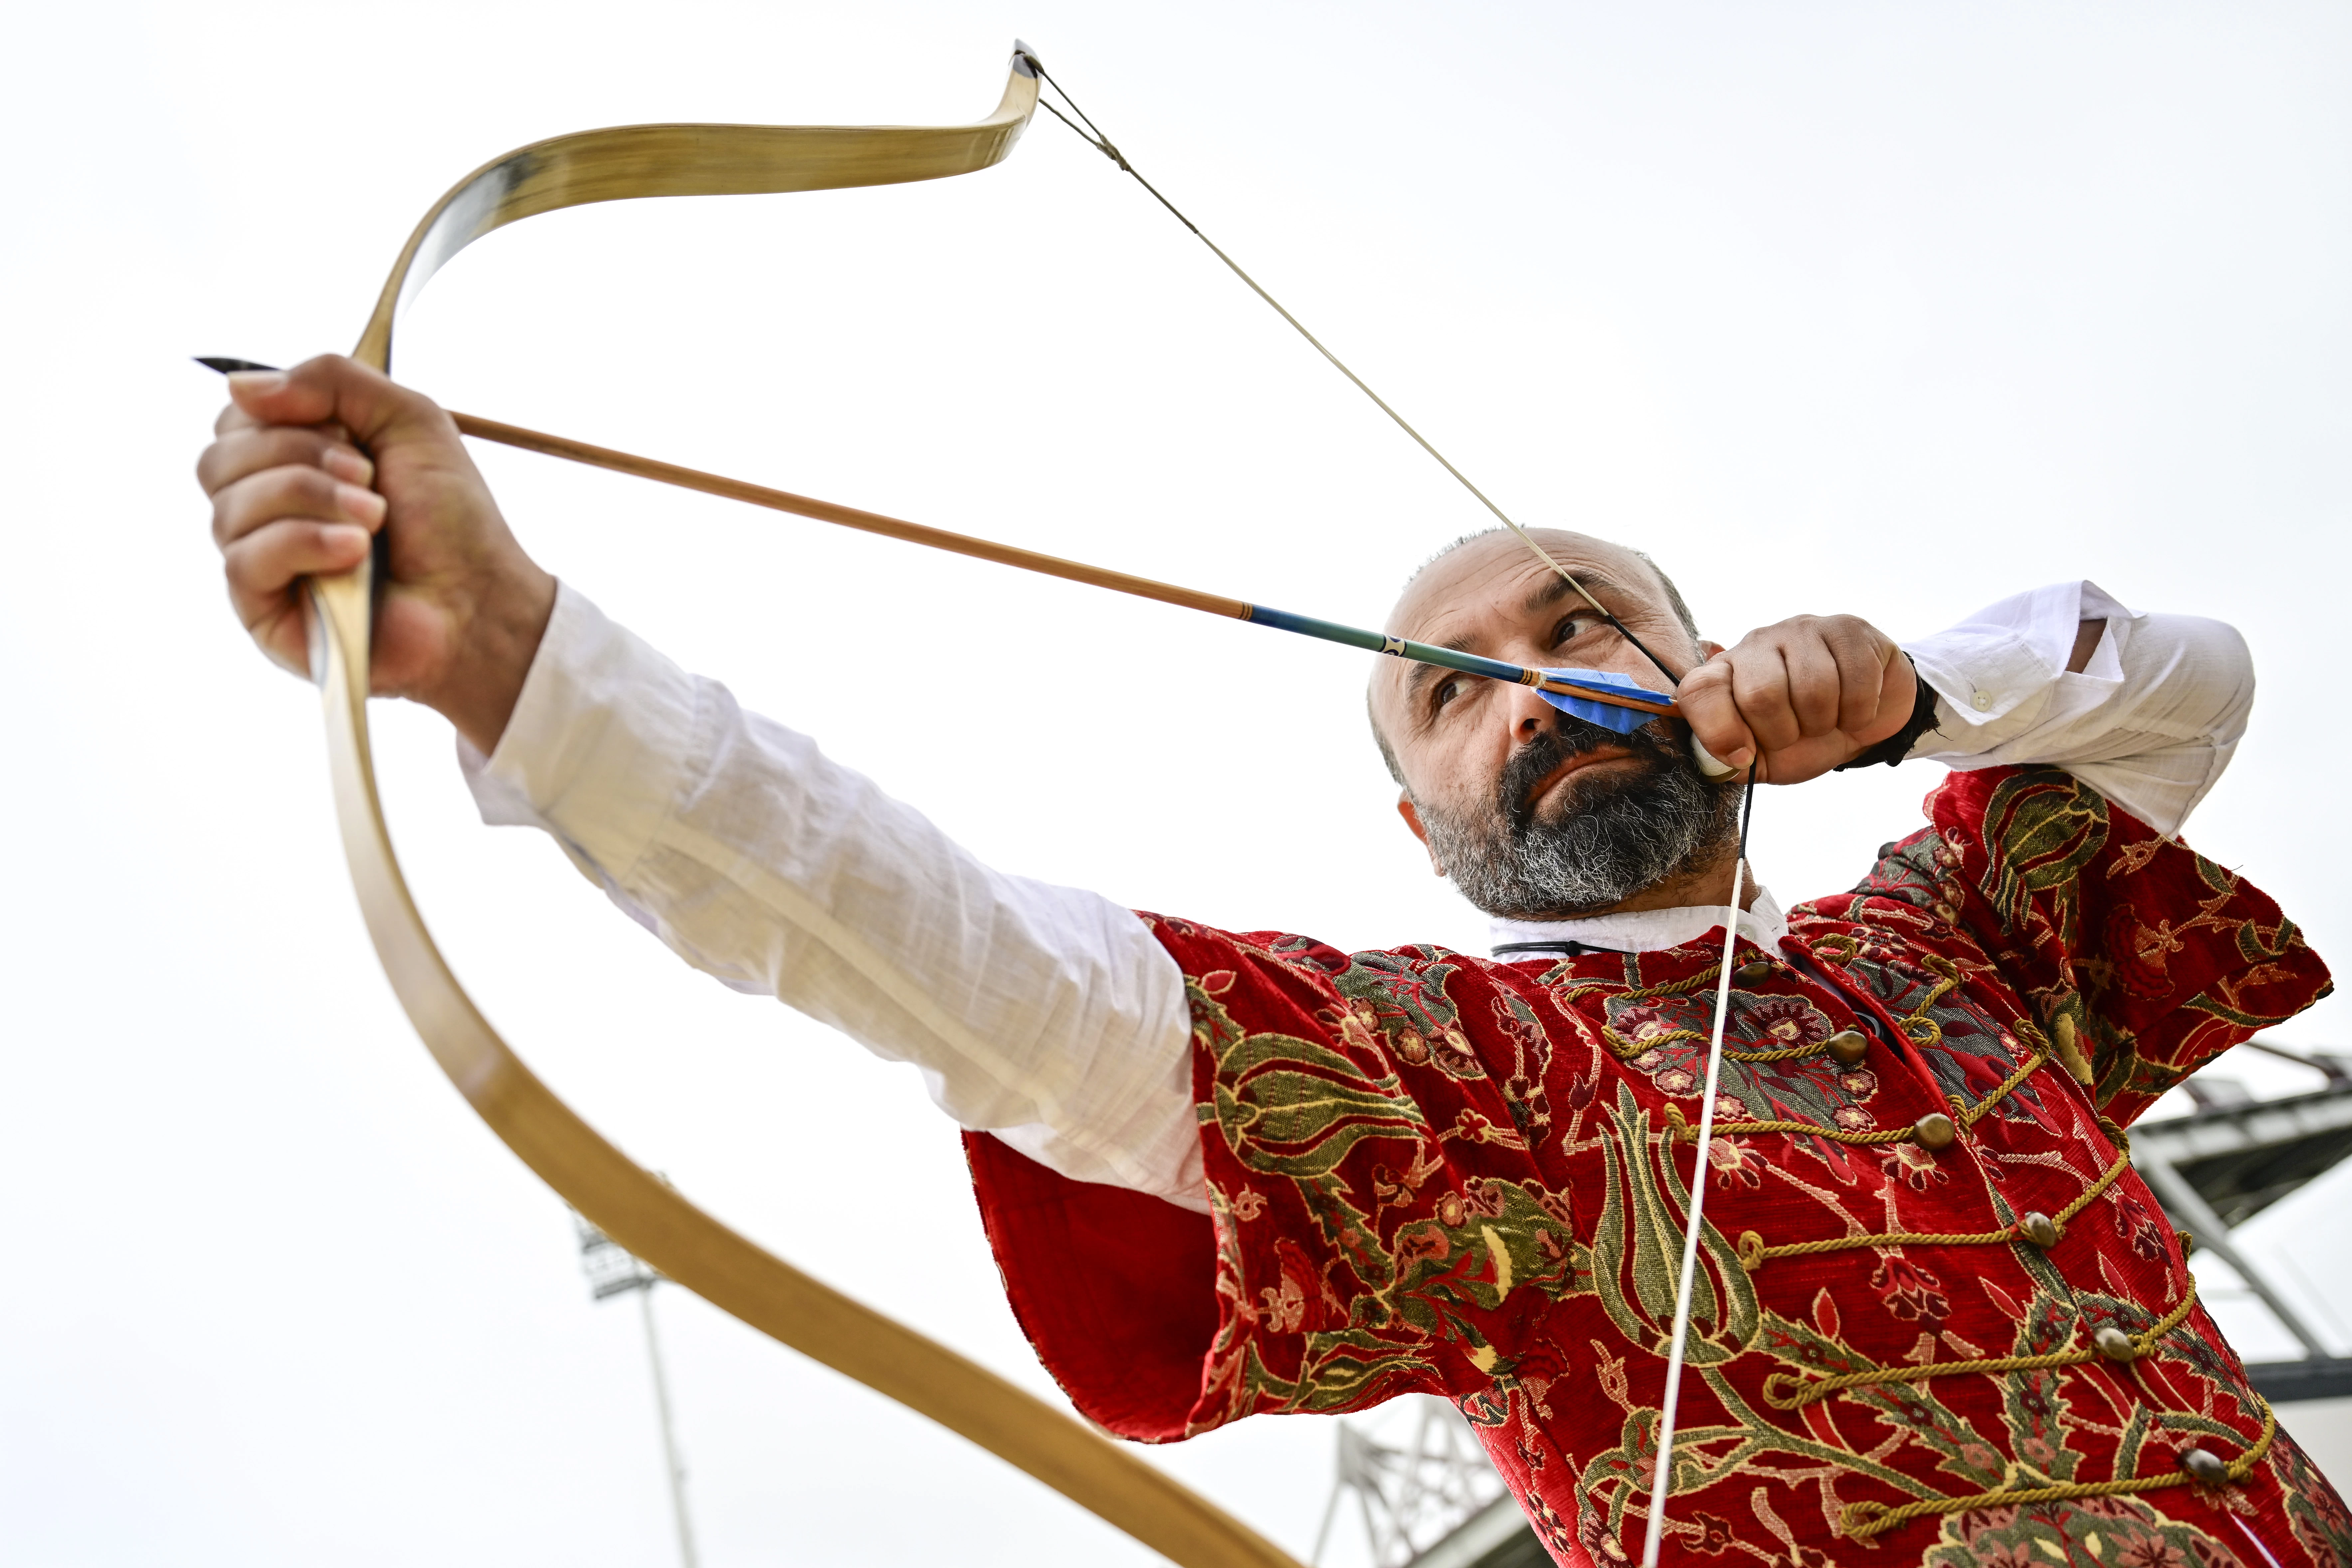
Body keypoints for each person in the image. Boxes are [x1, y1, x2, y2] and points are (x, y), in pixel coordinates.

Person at [199, 356, 2345, 1568]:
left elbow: (2178, 688)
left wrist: (1914, 697)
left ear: (1703, 656)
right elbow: (996, 978)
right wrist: (515, 662)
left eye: (1578, 621)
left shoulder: (1951, 939)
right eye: (1451, 690)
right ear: (1423, 828)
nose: (1529, 686)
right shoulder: (1446, 1077)